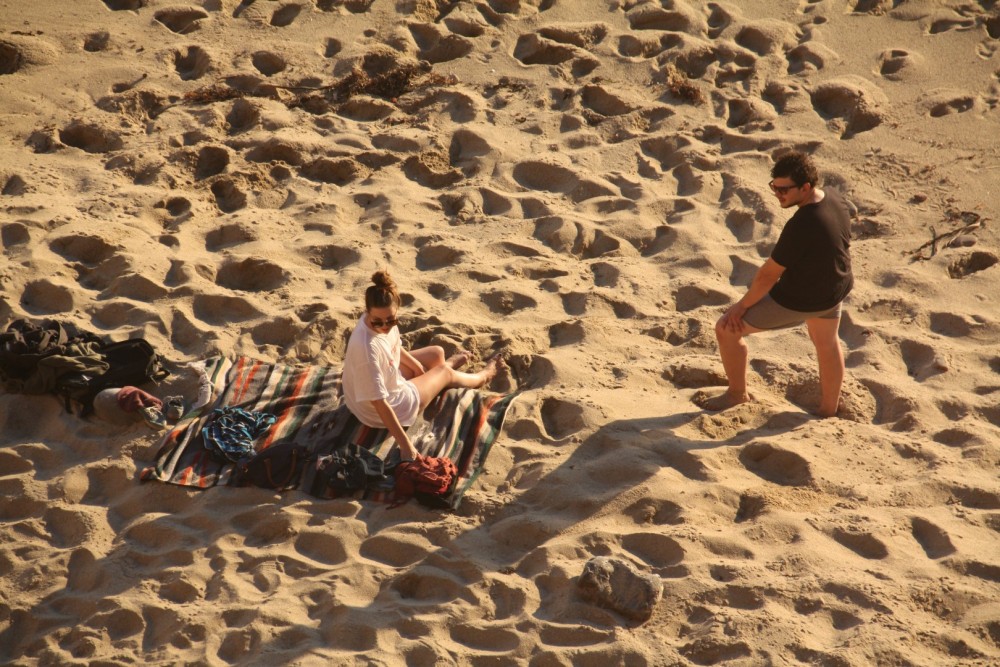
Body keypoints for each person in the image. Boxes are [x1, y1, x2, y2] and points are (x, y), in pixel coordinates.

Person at [699, 151, 853, 418]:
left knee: (727, 330)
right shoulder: (834, 198)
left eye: (784, 189)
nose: (778, 194)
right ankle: (828, 409)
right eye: (774, 187)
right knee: (827, 342)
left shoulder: (801, 225)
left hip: (801, 299)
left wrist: (740, 307)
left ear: (805, 187)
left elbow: (767, 276)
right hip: (835, 288)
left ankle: (737, 394)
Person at [342, 271, 503, 460]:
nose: (385, 326)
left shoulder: (375, 320)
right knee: (443, 371)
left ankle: (437, 378)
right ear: (367, 312)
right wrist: (406, 447)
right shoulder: (367, 351)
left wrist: (418, 369)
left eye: (391, 320)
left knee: (436, 354)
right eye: (378, 321)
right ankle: (481, 376)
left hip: (387, 377)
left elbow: (394, 347)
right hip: (381, 409)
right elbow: (380, 403)